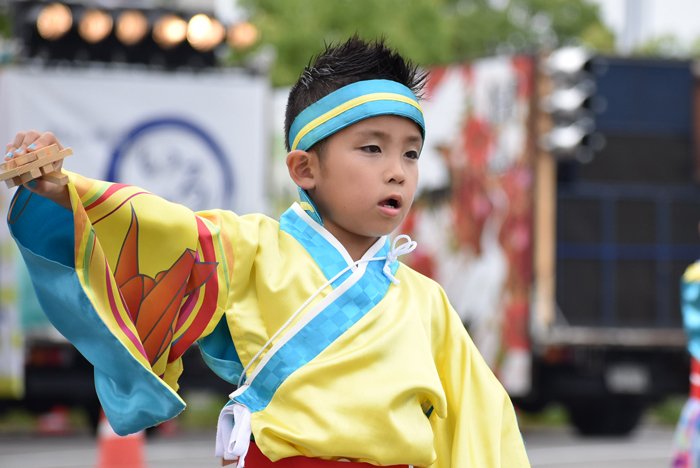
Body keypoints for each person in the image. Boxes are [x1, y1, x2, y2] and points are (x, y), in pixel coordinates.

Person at [5, 36, 530, 467]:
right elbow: (161, 228)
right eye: (372, 147)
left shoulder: (427, 303)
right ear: (305, 169)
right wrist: (63, 191)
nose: (398, 169)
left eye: (411, 153)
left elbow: (482, 425)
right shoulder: (252, 248)